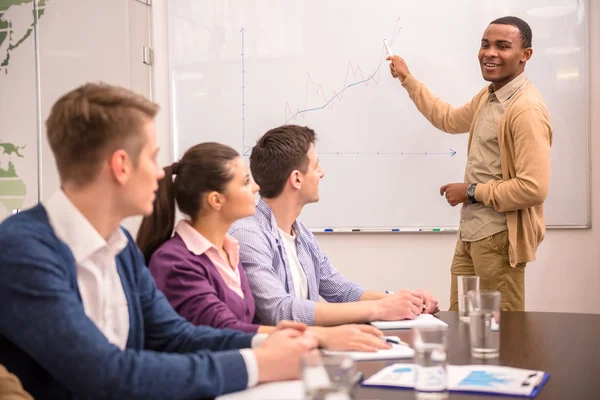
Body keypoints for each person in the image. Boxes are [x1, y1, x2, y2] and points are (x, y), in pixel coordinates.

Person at [0, 83, 317, 400]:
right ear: (121, 165)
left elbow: (176, 336)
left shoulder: (119, 244)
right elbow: (107, 374)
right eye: (152, 158)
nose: (160, 173)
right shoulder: (22, 250)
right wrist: (257, 364)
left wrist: (267, 343)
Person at [137, 142, 391, 352]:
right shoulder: (175, 261)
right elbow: (224, 328)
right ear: (216, 200)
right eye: (246, 182)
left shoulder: (229, 249)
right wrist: (319, 336)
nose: (256, 187)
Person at [387, 16, 552, 311]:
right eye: (485, 44)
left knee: (502, 336)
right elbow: (448, 118)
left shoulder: (525, 109)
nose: (490, 53)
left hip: (500, 239)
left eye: (503, 46)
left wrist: (472, 191)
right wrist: (408, 80)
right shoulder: (489, 97)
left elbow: (533, 188)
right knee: (461, 328)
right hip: (472, 235)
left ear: (525, 55)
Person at [230, 124, 439, 327]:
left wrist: (403, 301)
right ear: (296, 179)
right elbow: (280, 311)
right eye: (315, 166)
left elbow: (342, 291)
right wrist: (381, 308)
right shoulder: (249, 235)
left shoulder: (302, 235)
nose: (322, 173)